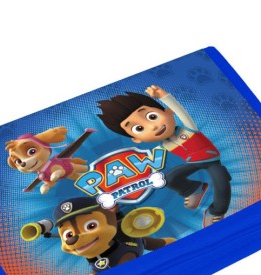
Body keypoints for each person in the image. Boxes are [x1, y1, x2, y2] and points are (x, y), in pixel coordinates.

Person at [97, 85, 232, 227]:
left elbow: (181, 112)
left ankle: (216, 211)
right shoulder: (164, 145)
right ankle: (192, 188)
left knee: (222, 183)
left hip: (212, 160)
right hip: (193, 163)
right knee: (168, 178)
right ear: (136, 139)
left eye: (152, 117)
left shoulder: (189, 128)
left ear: (168, 112)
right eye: (139, 128)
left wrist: (163, 96)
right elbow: (147, 160)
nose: (153, 127)